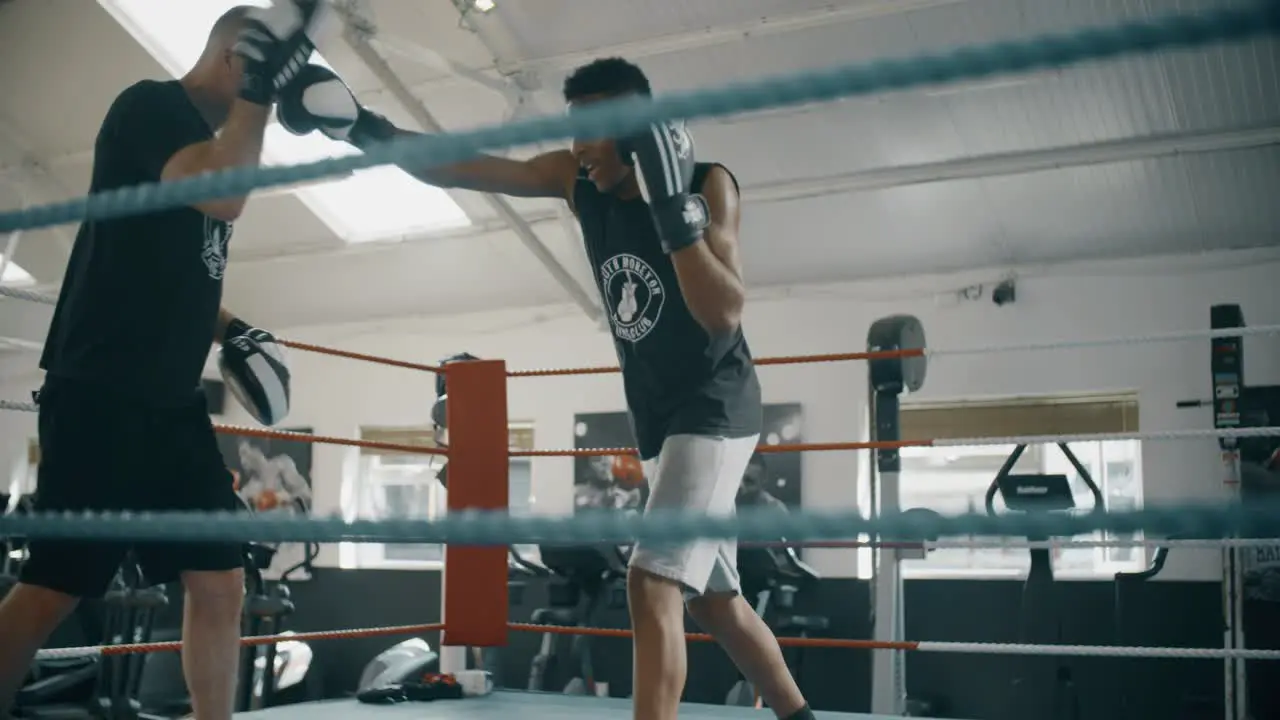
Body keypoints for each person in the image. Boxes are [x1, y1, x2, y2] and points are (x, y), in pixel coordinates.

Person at [276, 58, 815, 720]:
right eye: (575, 130)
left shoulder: (709, 183)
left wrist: (672, 210)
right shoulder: (574, 178)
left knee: (650, 581)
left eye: (596, 131)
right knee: (714, 599)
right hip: (658, 419)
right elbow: (461, 166)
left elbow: (723, 311)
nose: (582, 147)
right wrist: (363, 127)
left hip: (715, 408)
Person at [0, 3, 330, 719]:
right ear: (234, 61)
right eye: (259, 74)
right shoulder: (149, 108)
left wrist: (232, 325)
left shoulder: (206, 143)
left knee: (219, 581)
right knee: (57, 585)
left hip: (173, 405)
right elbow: (224, 196)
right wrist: (261, 97)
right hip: (102, 390)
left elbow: (174, 267)